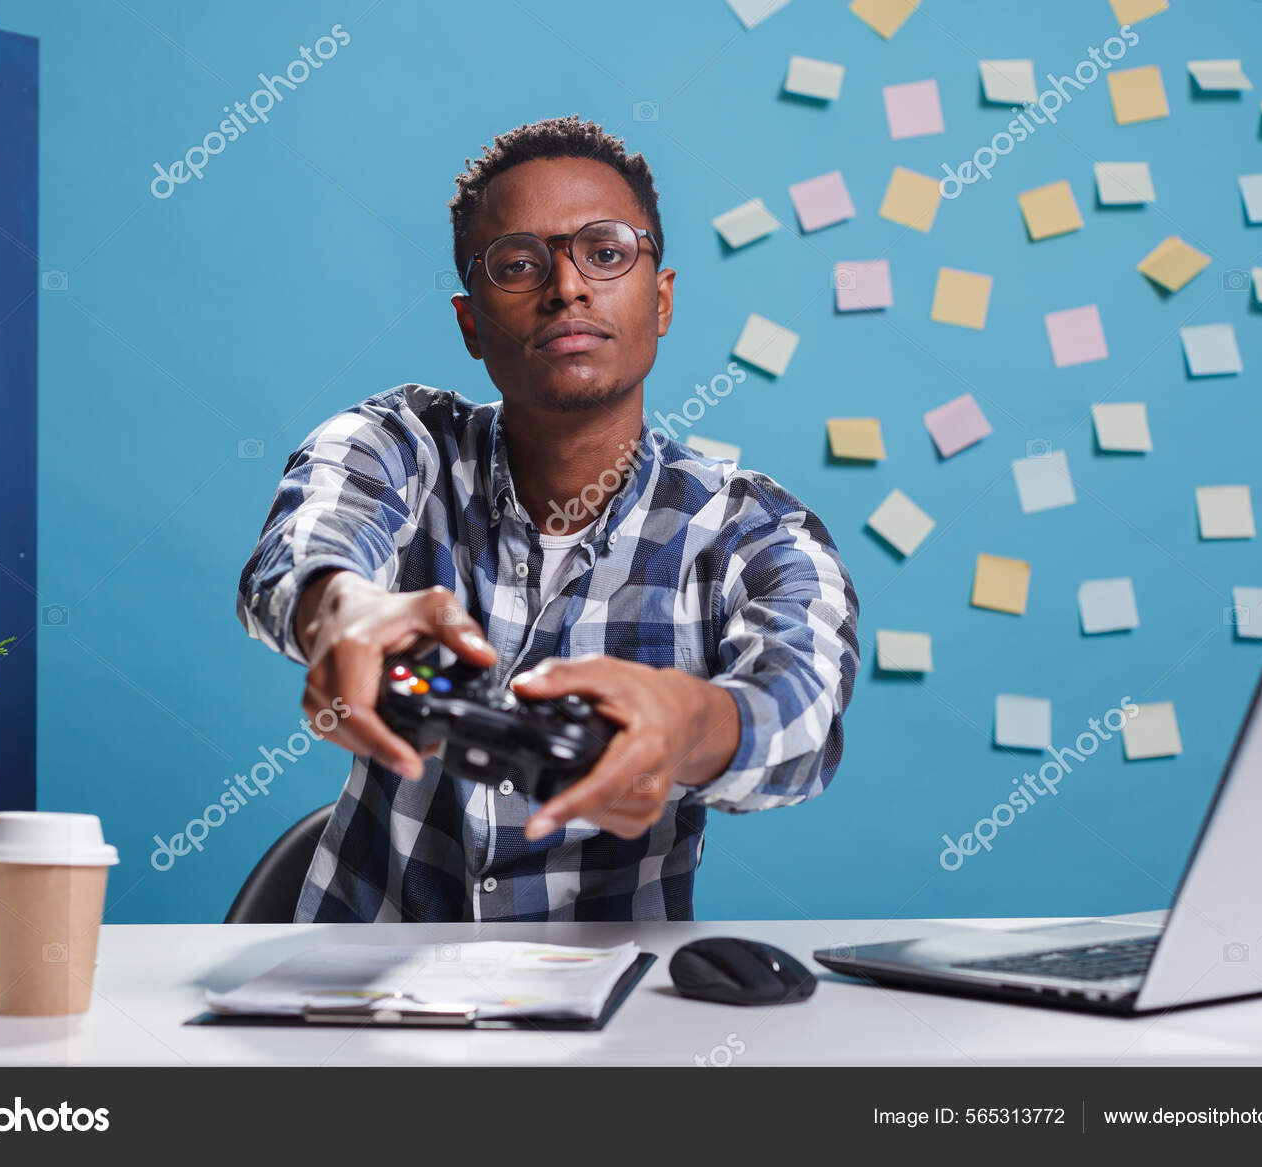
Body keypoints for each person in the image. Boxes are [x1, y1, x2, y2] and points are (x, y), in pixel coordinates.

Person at [236, 114, 858, 922]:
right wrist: (341, 610)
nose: (567, 287)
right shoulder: (403, 442)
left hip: (616, 1027)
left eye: (605, 253)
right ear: (469, 324)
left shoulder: (754, 530)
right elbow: (307, 539)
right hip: (354, 1010)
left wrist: (688, 720)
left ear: (661, 300)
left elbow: (805, 715)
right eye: (521, 264)